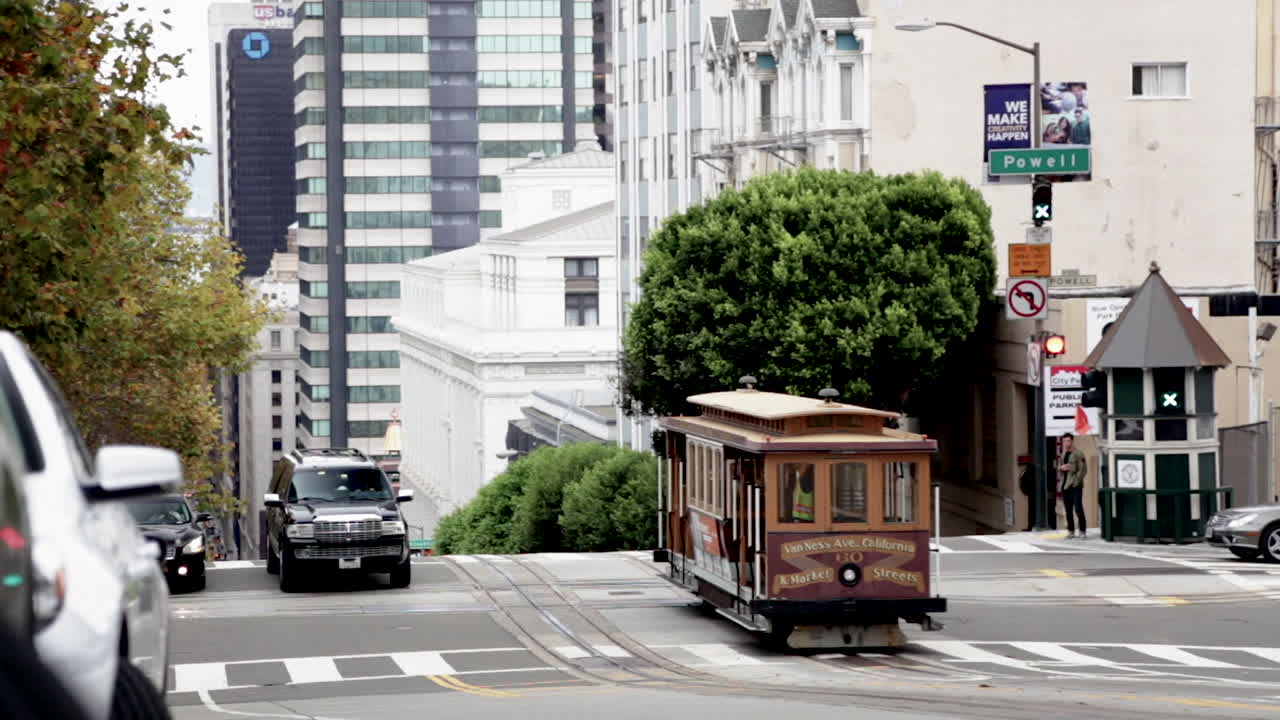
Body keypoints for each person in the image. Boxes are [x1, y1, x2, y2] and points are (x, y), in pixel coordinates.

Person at [1058, 432, 1088, 538]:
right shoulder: (1063, 454)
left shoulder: (1078, 453)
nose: (1066, 443)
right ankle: (1071, 531)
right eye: (1064, 441)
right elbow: (1060, 468)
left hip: (1075, 485)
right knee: (1068, 509)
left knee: (1078, 508)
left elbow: (1083, 469)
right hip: (1065, 485)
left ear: (1072, 441)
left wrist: (1076, 481)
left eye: (1068, 441)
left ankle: (1082, 530)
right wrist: (1061, 468)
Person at [1018, 456, 1036, 531]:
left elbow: (1028, 482)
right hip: (1030, 493)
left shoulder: (1030, 472)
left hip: (1032, 493)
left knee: (1032, 510)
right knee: (1031, 510)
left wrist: (1027, 491)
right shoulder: (1024, 472)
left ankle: (1031, 526)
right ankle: (1030, 526)